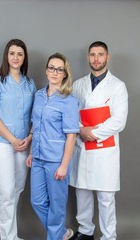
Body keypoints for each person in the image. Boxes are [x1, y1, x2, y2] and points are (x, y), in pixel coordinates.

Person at [69, 41, 128, 240]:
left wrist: (91, 133)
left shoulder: (118, 86)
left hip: (104, 150)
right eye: (92, 54)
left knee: (105, 197)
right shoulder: (77, 85)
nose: (96, 59)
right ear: (88, 57)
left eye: (100, 54)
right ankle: (85, 231)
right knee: (82, 192)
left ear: (107, 57)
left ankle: (108, 236)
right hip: (82, 148)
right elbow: (70, 114)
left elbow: (119, 121)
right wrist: (80, 129)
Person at [0, 39, 37, 240]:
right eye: (12, 53)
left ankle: (12, 235)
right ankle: (8, 238)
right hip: (2, 144)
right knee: (6, 193)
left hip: (23, 145)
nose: (16, 57)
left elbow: (35, 115)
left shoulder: (30, 84)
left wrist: (29, 137)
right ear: (6, 56)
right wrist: (12, 139)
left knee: (17, 189)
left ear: (24, 58)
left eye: (20, 54)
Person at [26, 52, 79, 240]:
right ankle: (62, 233)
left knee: (56, 206)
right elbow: (36, 125)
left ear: (65, 73)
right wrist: (32, 152)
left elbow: (71, 136)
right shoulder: (39, 95)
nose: (55, 72)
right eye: (51, 68)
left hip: (57, 160)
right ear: (46, 70)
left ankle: (55, 236)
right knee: (37, 201)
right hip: (38, 158)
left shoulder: (69, 100)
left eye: (59, 69)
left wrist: (64, 165)